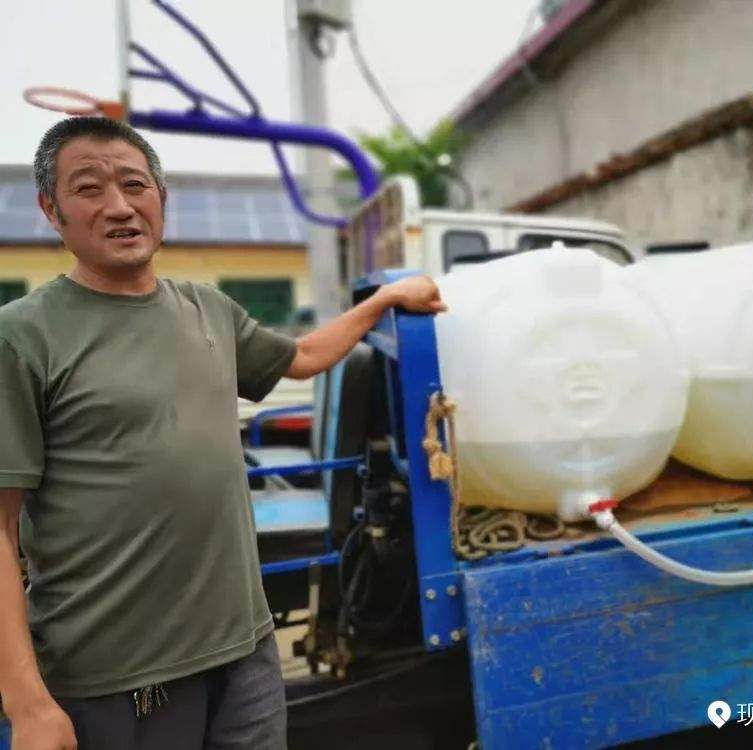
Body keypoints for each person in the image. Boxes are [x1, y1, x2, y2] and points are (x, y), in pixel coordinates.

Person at [0, 117, 446, 750]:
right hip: (121, 675)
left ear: (161, 197)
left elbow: (304, 356)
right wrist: (27, 704)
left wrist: (382, 302)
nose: (120, 206)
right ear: (52, 210)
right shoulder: (21, 336)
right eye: (89, 189)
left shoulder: (206, 308)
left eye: (134, 184)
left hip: (246, 649)